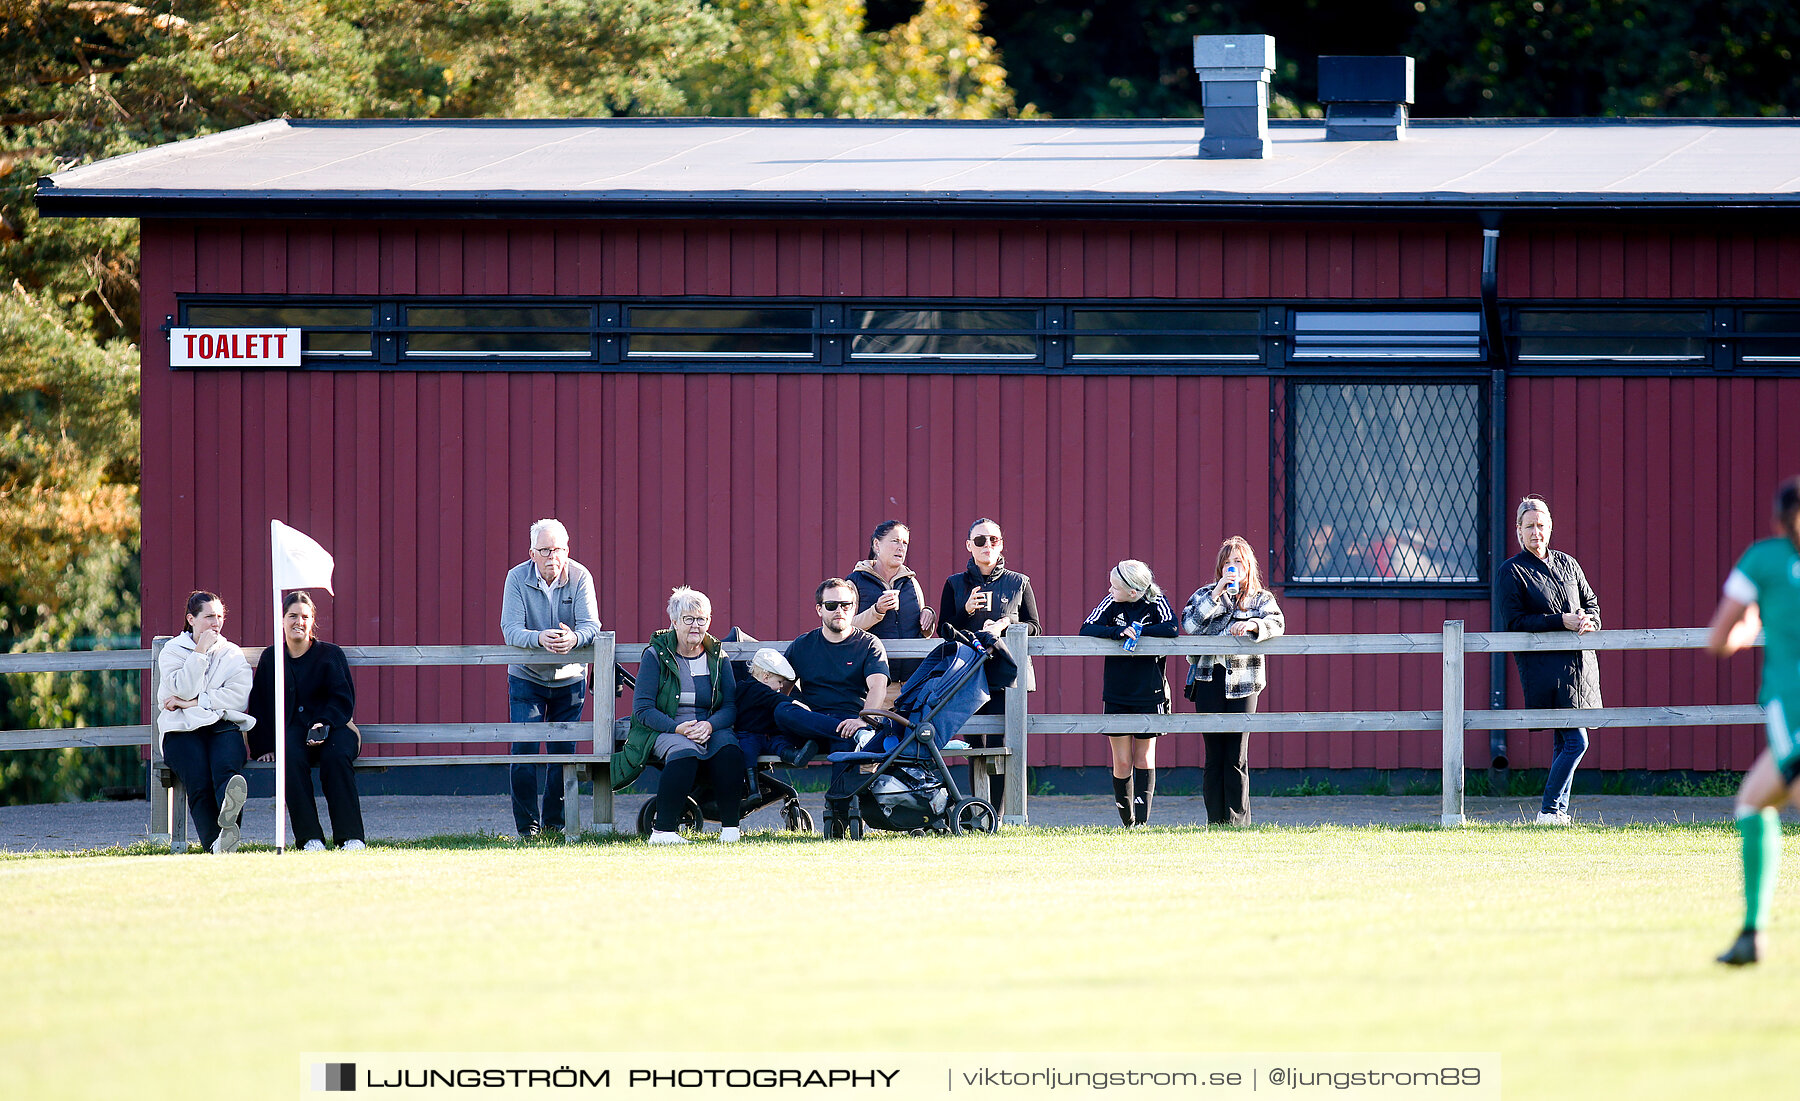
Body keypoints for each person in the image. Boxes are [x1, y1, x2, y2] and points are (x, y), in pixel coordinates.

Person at [1706, 476, 1800, 965]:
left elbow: (1719, 638)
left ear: (1777, 521)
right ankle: (1751, 933)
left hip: (1794, 706)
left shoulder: (1762, 559)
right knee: (1752, 802)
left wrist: (1752, 625)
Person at [1496, 496, 1601, 825]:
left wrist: (1588, 621)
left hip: (1580, 667)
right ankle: (1548, 809)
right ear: (1518, 531)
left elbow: (1592, 604)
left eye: (1541, 526)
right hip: (1545, 670)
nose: (1536, 532)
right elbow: (1515, 622)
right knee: (1577, 741)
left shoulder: (1569, 564)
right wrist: (1561, 621)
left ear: (1550, 527)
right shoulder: (1511, 572)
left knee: (1564, 740)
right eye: (1530, 527)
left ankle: (1556, 814)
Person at [499, 517, 602, 838]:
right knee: (524, 751)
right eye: (544, 550)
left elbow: (592, 626)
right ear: (532, 553)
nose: (552, 557)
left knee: (563, 753)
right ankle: (527, 828)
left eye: (557, 549)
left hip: (570, 679)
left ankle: (555, 825)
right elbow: (510, 629)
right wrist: (540, 638)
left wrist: (574, 639)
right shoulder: (516, 577)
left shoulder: (581, 575)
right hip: (526, 677)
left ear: (567, 549)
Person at [618, 588, 744, 845]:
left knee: (729, 750)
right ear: (674, 622)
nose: (696, 626)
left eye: (702, 619)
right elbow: (642, 709)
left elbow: (730, 707)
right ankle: (663, 832)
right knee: (684, 753)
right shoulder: (655, 656)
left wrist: (709, 725)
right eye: (688, 619)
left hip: (709, 725)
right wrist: (678, 728)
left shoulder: (718, 657)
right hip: (666, 728)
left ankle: (731, 830)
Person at [247, 591, 366, 851]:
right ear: (282, 620)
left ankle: (350, 837)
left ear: (312, 621)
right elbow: (260, 705)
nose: (298, 622)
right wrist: (264, 745)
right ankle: (310, 838)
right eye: (292, 616)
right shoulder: (271, 658)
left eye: (304, 616)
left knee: (336, 758)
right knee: (288, 756)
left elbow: (343, 699)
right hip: (294, 734)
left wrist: (322, 722)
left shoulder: (330, 654)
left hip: (335, 728)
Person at [937, 517, 1042, 810]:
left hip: (1004, 673)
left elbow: (1036, 627)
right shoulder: (955, 583)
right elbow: (943, 629)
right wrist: (965, 610)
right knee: (976, 745)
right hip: (966, 674)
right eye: (980, 540)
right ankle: (977, 810)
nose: (987, 546)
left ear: (1001, 545)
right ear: (969, 546)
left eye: (993, 540)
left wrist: (1008, 622)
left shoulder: (1019, 582)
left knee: (999, 743)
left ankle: (995, 812)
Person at [1181, 537, 1285, 826]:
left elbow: (1277, 623)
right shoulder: (1204, 595)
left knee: (1237, 753)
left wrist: (1254, 624)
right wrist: (1216, 594)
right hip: (1209, 678)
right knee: (1214, 753)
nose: (1233, 568)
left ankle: (1238, 822)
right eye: (1227, 563)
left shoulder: (1261, 598)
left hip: (1244, 681)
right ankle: (1215, 820)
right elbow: (1189, 624)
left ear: (1249, 566)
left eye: (1238, 562)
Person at [783, 579, 890, 822]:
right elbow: (783, 689)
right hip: (810, 723)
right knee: (782, 711)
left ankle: (839, 818)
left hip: (850, 721)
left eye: (845, 604)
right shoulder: (803, 645)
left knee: (844, 742)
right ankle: (839, 814)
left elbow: (878, 686)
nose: (839, 611)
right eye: (831, 605)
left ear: (854, 608)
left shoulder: (868, 644)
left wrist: (865, 720)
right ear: (819, 609)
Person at [156, 591, 255, 853]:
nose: (216, 623)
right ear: (191, 619)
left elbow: (237, 697)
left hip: (221, 724)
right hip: (181, 729)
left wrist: (192, 703)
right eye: (209, 616)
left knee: (227, 772)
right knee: (198, 781)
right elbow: (182, 686)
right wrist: (199, 651)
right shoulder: (173, 651)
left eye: (220, 617)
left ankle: (228, 813)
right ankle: (217, 844)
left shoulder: (231, 653)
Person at [1080, 560, 1177, 826]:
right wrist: (1116, 632)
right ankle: (1127, 822)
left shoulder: (1156, 602)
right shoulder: (1111, 603)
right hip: (1117, 692)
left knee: (1144, 757)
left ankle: (1143, 823)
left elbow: (1172, 627)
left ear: (1134, 591)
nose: (1110, 590)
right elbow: (1087, 627)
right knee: (1122, 761)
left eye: (1115, 586)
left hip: (1150, 691)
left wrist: (1141, 631)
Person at [849, 520, 938, 706]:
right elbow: (846, 629)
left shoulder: (911, 582)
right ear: (876, 544)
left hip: (911, 684)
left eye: (905, 543)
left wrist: (929, 616)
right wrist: (877, 611)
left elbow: (923, 630)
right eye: (895, 541)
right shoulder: (855, 581)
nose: (901, 547)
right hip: (871, 685)